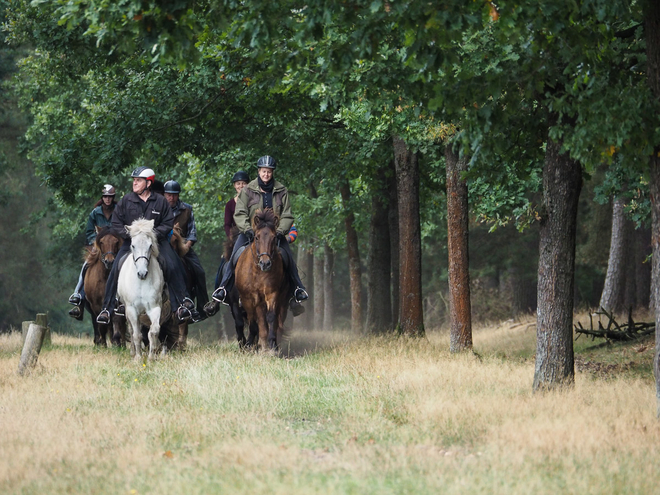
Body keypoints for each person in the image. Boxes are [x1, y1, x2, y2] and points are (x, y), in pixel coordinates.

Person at [96, 166, 199, 325]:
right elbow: (116, 222)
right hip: (132, 242)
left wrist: (153, 235)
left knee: (174, 264)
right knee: (116, 266)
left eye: (138, 180)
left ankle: (183, 303)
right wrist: (129, 235)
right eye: (134, 180)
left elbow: (168, 222)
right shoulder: (126, 201)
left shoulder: (160, 201)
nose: (134, 183)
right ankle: (107, 309)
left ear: (148, 183)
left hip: (157, 242)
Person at [212, 155, 309, 314]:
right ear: (259, 171)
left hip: (273, 234)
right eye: (264, 172)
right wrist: (247, 229)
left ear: (272, 172)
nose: (266, 175)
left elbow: (287, 215)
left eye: (269, 172)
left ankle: (298, 290)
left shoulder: (281, 190)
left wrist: (279, 232)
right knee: (234, 256)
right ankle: (222, 289)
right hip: (251, 232)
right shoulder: (248, 190)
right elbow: (239, 213)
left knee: (288, 258)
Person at [68, 184, 117, 319]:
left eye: (110, 197)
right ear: (102, 197)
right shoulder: (95, 213)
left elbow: (122, 228)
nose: (108, 199)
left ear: (113, 198)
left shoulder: (118, 211)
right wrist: (97, 241)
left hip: (114, 246)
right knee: (86, 265)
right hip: (98, 244)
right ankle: (78, 295)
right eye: (106, 196)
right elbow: (89, 232)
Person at [163, 179, 209, 320]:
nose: (171, 198)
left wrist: (186, 246)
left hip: (182, 247)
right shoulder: (159, 209)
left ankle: (202, 308)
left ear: (178, 195)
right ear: (164, 195)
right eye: (169, 195)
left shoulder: (187, 209)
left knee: (199, 271)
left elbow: (192, 233)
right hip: (164, 247)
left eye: (174, 195)